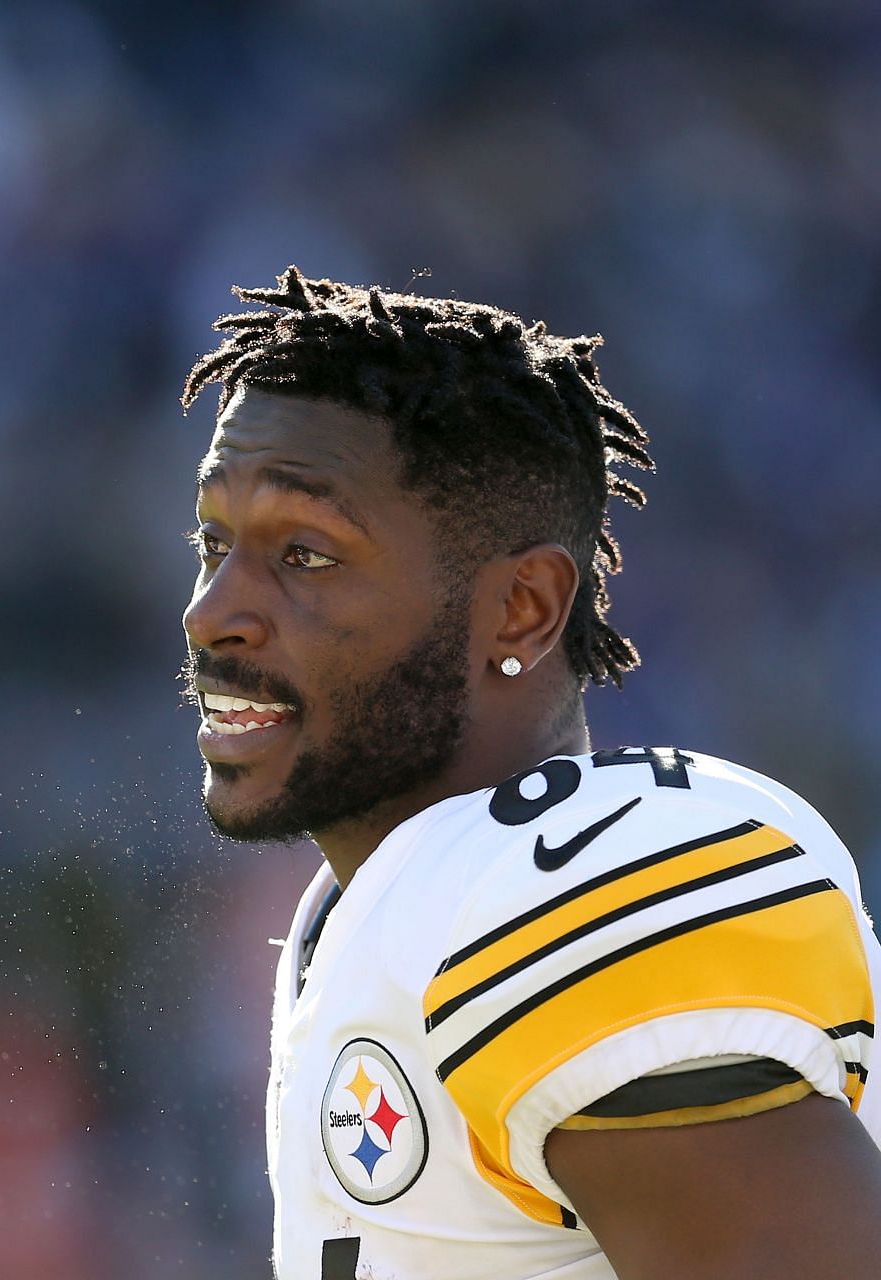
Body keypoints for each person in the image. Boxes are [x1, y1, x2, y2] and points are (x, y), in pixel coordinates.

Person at [179, 267, 881, 1279]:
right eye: (213, 541)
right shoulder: (383, 904)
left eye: (306, 553)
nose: (212, 612)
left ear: (521, 607)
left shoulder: (574, 886)